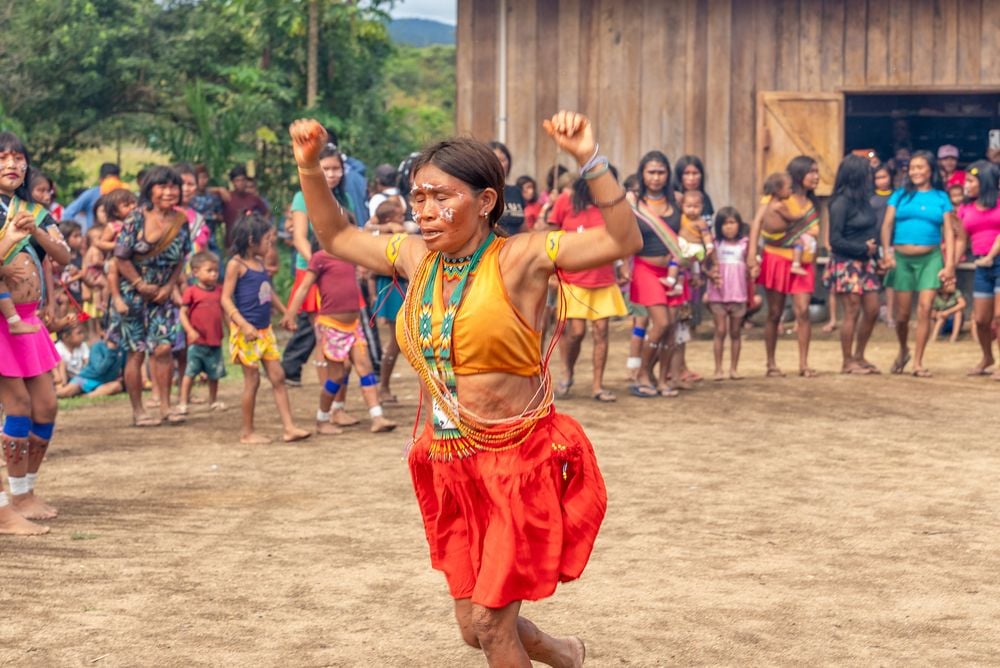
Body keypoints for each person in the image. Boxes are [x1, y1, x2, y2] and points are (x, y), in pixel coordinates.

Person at [290, 109, 638, 666]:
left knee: (490, 623)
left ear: (485, 201)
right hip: (449, 462)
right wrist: (309, 166)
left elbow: (623, 239)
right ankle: (564, 653)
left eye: (441, 196)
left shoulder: (523, 258)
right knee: (472, 629)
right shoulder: (413, 256)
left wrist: (589, 159)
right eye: (418, 197)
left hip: (516, 462)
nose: (425, 211)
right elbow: (334, 234)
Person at [0, 131, 72, 534]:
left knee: (46, 406)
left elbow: (62, 255)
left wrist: (37, 231)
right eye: (3, 157)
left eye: (18, 157)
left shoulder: (34, 209)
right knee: (18, 407)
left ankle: (24, 491)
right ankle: (8, 502)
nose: (12, 164)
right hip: (2, 320)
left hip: (28, 321)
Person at [281, 247, 396, 434]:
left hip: (354, 325)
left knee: (365, 368)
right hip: (331, 325)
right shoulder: (319, 258)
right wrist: (290, 314)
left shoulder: (348, 253)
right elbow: (304, 287)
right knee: (336, 376)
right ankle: (322, 419)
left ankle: (377, 417)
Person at [108, 166, 191, 426]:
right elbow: (120, 257)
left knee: (164, 347)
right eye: (162, 187)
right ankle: (138, 411)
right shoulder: (135, 218)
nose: (169, 192)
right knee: (136, 352)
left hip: (163, 294)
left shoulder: (182, 221)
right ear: (150, 190)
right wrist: (139, 283)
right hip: (132, 293)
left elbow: (182, 259)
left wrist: (168, 287)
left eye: (173, 187)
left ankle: (166, 407)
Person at [221, 213, 310, 444]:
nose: (271, 245)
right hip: (246, 333)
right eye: (267, 240)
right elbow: (225, 299)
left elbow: (268, 292)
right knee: (253, 381)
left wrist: (286, 313)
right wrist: (243, 325)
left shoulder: (260, 264)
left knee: (278, 377)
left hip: (264, 331)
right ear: (252, 241)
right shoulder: (235, 265)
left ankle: (289, 427)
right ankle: (247, 432)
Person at [550, 169, 628, 402]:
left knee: (602, 332)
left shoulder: (612, 207)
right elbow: (552, 237)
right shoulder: (565, 202)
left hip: (603, 277)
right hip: (572, 278)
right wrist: (550, 271)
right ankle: (567, 373)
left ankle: (597, 386)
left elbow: (620, 239)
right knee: (576, 333)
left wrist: (623, 264)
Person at [880, 150, 956, 377]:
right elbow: (886, 226)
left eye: (920, 167)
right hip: (902, 260)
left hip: (931, 259)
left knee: (925, 310)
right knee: (902, 316)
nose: (915, 172)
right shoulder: (900, 195)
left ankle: (918, 362)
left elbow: (949, 233)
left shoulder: (941, 198)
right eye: (912, 168)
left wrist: (949, 264)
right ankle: (904, 350)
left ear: (930, 170)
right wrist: (887, 253)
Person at [748, 157, 822, 377]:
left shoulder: (813, 205)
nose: (816, 177)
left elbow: (815, 239)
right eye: (811, 172)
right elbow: (756, 224)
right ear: (799, 174)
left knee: (803, 311)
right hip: (776, 258)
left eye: (817, 172)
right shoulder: (775, 198)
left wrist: (815, 266)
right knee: (774, 313)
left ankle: (803, 364)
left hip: (803, 263)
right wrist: (752, 254)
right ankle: (771, 364)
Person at [628, 150, 686, 397]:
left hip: (672, 270)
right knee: (660, 323)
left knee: (671, 326)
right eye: (651, 172)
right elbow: (623, 233)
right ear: (642, 173)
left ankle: (662, 379)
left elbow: (687, 234)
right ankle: (642, 373)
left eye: (661, 172)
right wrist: (621, 265)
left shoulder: (678, 200)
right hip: (645, 269)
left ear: (668, 174)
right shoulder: (633, 201)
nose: (656, 177)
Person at [827, 154, 882, 374]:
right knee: (852, 310)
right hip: (846, 263)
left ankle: (859, 355)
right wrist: (862, 248)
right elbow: (835, 239)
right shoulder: (841, 203)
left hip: (865, 263)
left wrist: (875, 255)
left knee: (873, 309)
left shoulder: (863, 200)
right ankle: (847, 360)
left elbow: (870, 230)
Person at [954, 161, 1000, 378]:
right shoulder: (965, 209)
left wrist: (991, 255)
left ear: (986, 183)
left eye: (971, 181)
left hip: (997, 261)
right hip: (981, 264)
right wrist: (951, 266)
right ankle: (987, 356)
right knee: (981, 319)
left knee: (999, 316)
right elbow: (962, 240)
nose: (966, 185)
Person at [178, 251, 226, 413]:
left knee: (215, 374)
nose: (214, 274)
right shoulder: (191, 292)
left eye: (216, 271)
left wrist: (232, 329)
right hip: (197, 341)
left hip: (215, 339)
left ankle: (213, 400)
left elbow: (225, 312)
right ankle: (183, 402)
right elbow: (182, 314)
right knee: (190, 373)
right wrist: (190, 331)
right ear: (196, 272)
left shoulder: (220, 291)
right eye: (209, 270)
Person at [705, 207, 748, 380]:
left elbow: (752, 264)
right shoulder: (714, 244)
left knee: (735, 332)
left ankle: (733, 369)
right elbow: (704, 265)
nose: (729, 227)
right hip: (718, 293)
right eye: (725, 224)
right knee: (720, 331)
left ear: (739, 225)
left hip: (738, 293)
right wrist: (710, 275)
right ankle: (718, 369)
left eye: (732, 223)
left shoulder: (745, 244)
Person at [662, 190, 714, 295]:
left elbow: (706, 235)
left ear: (702, 207)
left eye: (696, 207)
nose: (692, 210)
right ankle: (679, 287)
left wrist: (709, 246)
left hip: (694, 247)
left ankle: (671, 279)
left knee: (676, 260)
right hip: (683, 245)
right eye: (689, 206)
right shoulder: (681, 218)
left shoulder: (701, 222)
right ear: (682, 206)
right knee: (682, 268)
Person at [218, 164, 269, 251]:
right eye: (237, 180)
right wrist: (218, 189)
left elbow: (267, 212)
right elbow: (203, 191)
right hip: (231, 243)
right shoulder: (227, 197)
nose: (240, 183)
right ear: (233, 182)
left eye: (243, 180)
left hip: (250, 244)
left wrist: (260, 229)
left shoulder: (254, 199)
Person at [63, 162, 122, 232]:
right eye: (109, 180)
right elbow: (68, 213)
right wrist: (78, 234)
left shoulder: (121, 195)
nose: (112, 183)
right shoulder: (91, 194)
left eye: (115, 180)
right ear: (101, 180)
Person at [872, 162, 896, 327]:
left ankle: (890, 314)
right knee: (873, 279)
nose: (881, 180)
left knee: (890, 279)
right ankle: (872, 312)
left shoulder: (896, 197)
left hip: (892, 243)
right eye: (877, 177)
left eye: (884, 176)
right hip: (873, 244)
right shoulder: (870, 197)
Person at [488, 141, 527, 235]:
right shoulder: (481, 192)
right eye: (496, 160)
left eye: (503, 160)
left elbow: (523, 226)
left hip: (516, 246)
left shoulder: (516, 191)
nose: (500, 165)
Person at [54, 322, 89, 388]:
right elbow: (56, 368)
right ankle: (63, 387)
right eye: (79, 333)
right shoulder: (58, 348)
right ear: (66, 337)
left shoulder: (82, 345)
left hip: (81, 376)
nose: (83, 335)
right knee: (62, 363)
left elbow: (87, 362)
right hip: (66, 378)